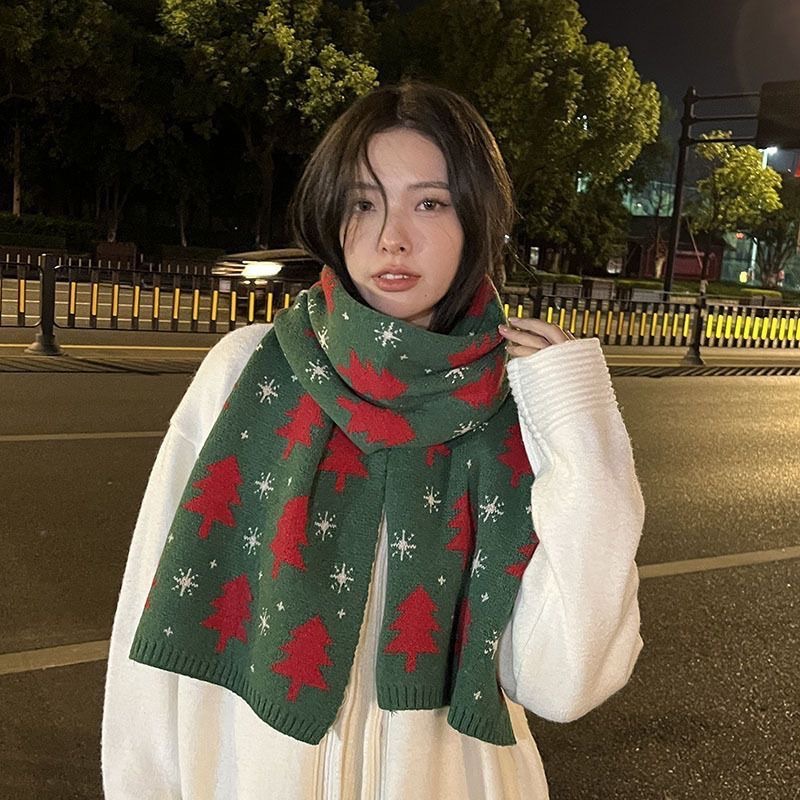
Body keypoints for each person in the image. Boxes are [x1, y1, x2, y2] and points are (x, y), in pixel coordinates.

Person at [102, 81, 645, 799]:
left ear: (477, 217)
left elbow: (564, 682)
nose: (392, 237)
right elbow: (150, 629)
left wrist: (577, 419)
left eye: (430, 203)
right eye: (363, 203)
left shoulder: (525, 400)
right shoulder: (249, 370)